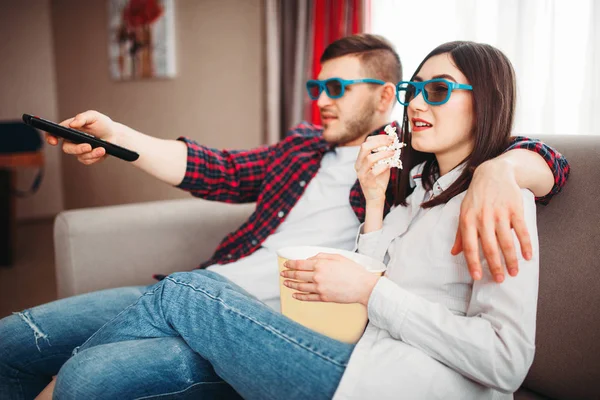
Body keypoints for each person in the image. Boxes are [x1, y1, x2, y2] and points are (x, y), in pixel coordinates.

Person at [0, 35, 567, 399]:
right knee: (11, 341)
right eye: (318, 85)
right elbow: (214, 168)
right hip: (221, 293)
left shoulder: (408, 163)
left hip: (288, 322)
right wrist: (120, 136)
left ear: (380, 98)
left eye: (339, 87)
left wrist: (504, 169)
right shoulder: (324, 155)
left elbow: (541, 158)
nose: (322, 98)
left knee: (91, 373)